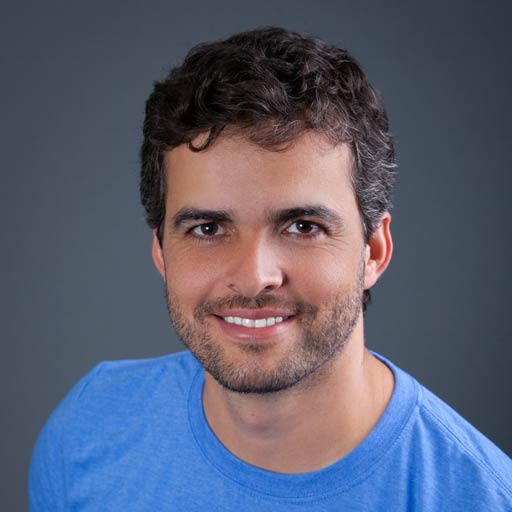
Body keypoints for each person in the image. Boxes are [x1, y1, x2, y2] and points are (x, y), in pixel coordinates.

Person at [29, 27, 511, 511]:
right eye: (207, 228)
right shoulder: (87, 433)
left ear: (374, 251)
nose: (254, 276)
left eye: (303, 227)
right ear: (161, 251)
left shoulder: (479, 497)